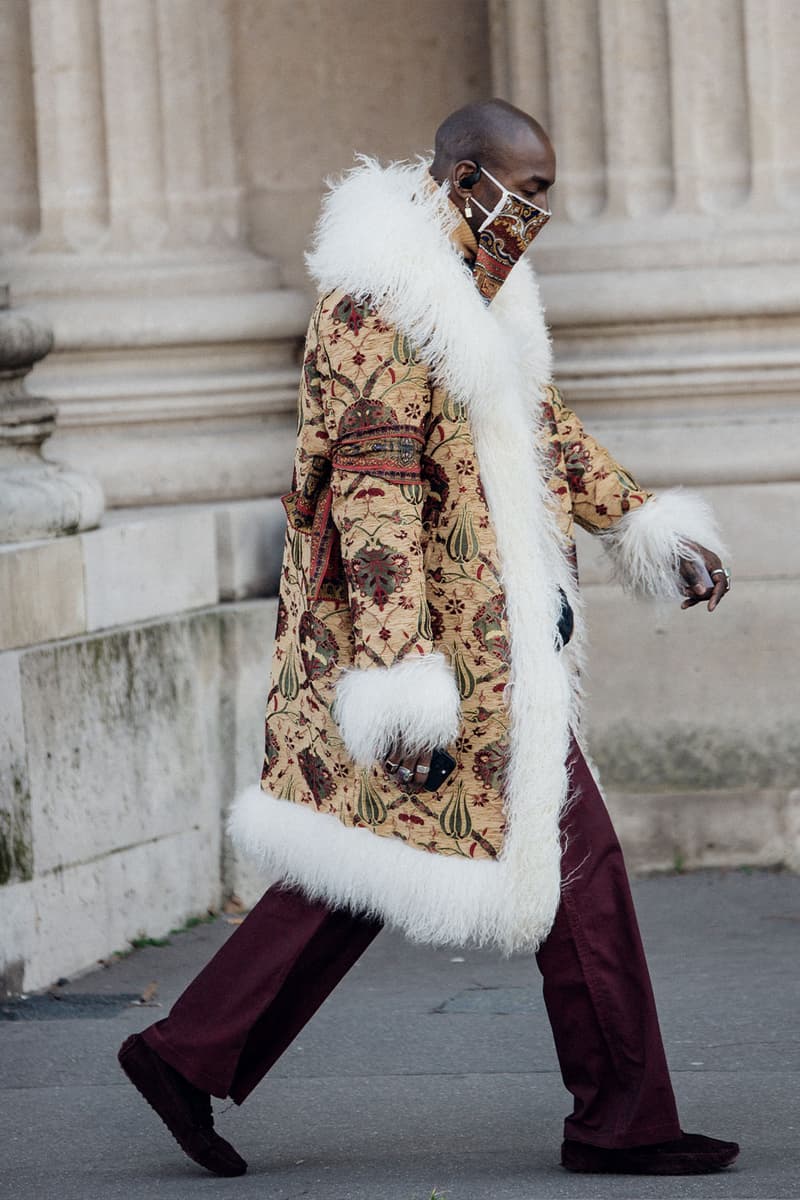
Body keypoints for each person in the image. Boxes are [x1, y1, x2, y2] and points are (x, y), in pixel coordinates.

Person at [118, 100, 739, 1178]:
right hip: (449, 657)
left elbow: (538, 431)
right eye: (526, 188)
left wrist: (644, 523)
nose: (538, 210)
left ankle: (188, 1052)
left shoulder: (478, 290)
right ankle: (619, 1120)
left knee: (379, 859)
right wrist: (401, 679)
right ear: (462, 177)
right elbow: (368, 501)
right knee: (557, 861)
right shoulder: (380, 299)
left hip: (497, 648)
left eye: (544, 188)